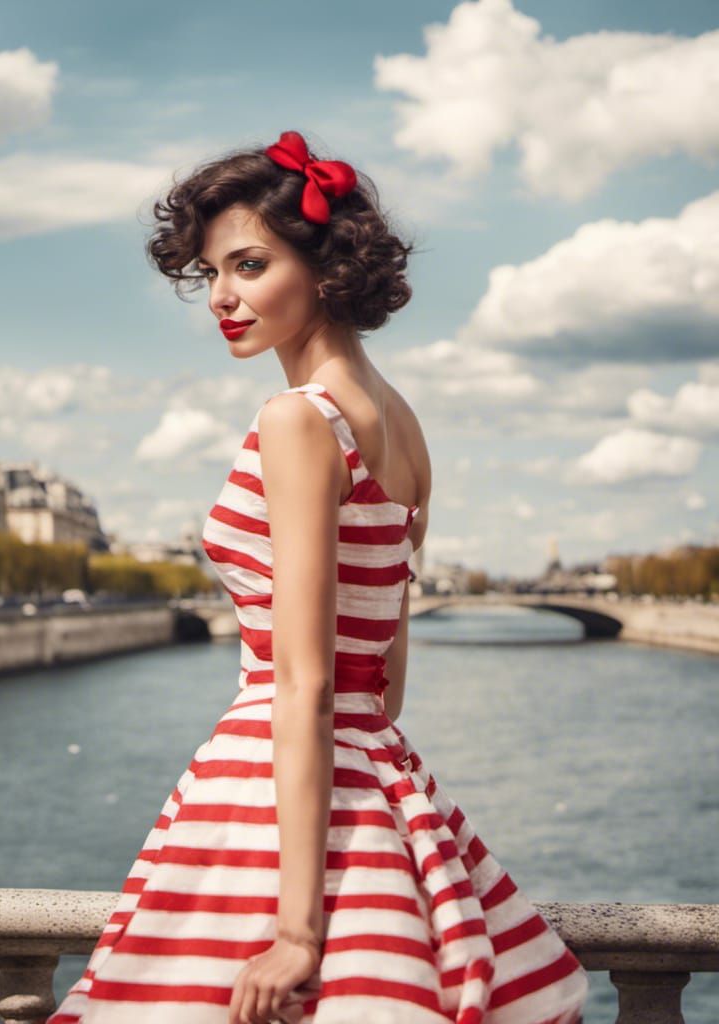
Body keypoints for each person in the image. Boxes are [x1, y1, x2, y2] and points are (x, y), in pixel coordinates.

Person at [46, 130, 589, 1024]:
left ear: (325, 266)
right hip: (377, 775)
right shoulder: (404, 428)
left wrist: (296, 929)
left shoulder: (298, 420)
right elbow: (386, 680)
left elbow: (305, 682)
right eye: (210, 273)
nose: (222, 296)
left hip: (270, 781)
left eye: (249, 265)